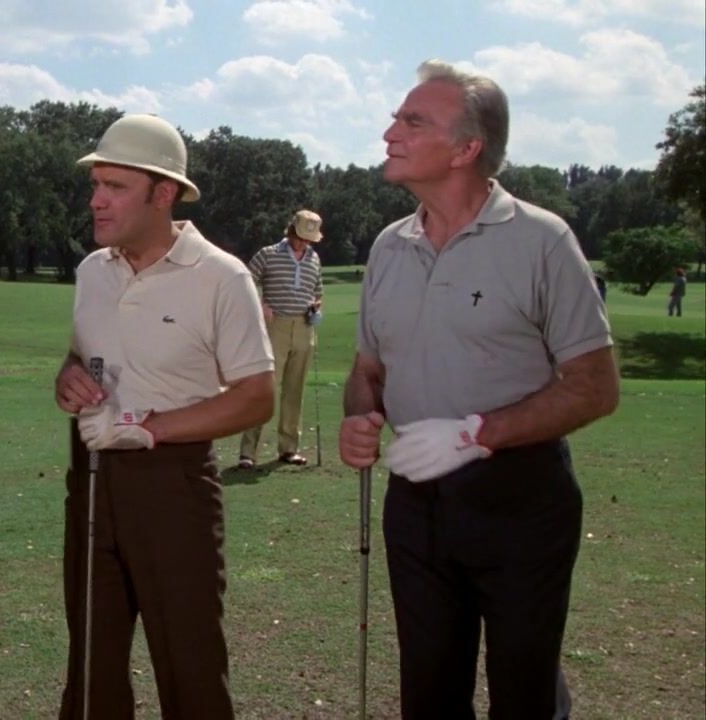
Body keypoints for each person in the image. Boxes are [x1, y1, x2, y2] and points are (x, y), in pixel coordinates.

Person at [339, 61, 619, 719]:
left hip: (520, 499)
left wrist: (475, 434)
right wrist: (359, 417)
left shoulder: (541, 240)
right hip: (415, 501)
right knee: (429, 691)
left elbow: (594, 388)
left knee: (524, 690)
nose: (390, 133)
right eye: (396, 118)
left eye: (413, 122)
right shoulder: (389, 245)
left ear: (466, 148)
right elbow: (367, 372)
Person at [53, 114, 275, 719]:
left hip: (175, 486)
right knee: (91, 670)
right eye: (95, 185)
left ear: (164, 193)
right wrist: (67, 378)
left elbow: (257, 396)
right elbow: (80, 355)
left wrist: (147, 429)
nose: (96, 200)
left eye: (115, 186)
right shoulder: (92, 270)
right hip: (91, 483)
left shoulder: (222, 276)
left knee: (190, 669)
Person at [238, 209, 325, 468]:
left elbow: (317, 292)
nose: (303, 243)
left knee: (294, 391)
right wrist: (261, 304)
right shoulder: (269, 254)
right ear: (291, 231)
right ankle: (248, 452)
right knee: (264, 389)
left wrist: (316, 307)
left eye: (308, 239)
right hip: (274, 327)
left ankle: (289, 449)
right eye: (300, 237)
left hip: (304, 328)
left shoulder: (314, 258)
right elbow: (246, 280)